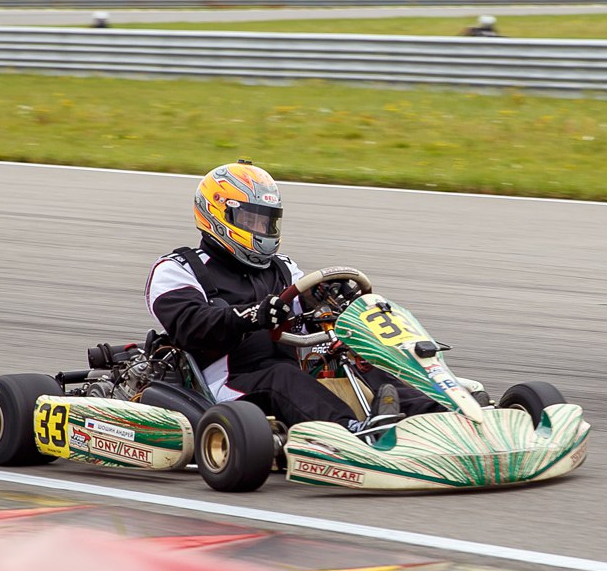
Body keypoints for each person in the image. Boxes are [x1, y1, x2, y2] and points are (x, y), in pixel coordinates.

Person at [144, 160, 444, 443]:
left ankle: (434, 415)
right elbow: (191, 325)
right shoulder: (179, 268)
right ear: (218, 214)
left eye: (266, 221)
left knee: (356, 358)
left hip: (290, 377)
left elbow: (308, 311)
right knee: (282, 376)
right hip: (226, 386)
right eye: (251, 219)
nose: (261, 229)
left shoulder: (283, 268)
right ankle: (350, 434)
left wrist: (331, 299)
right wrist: (251, 316)